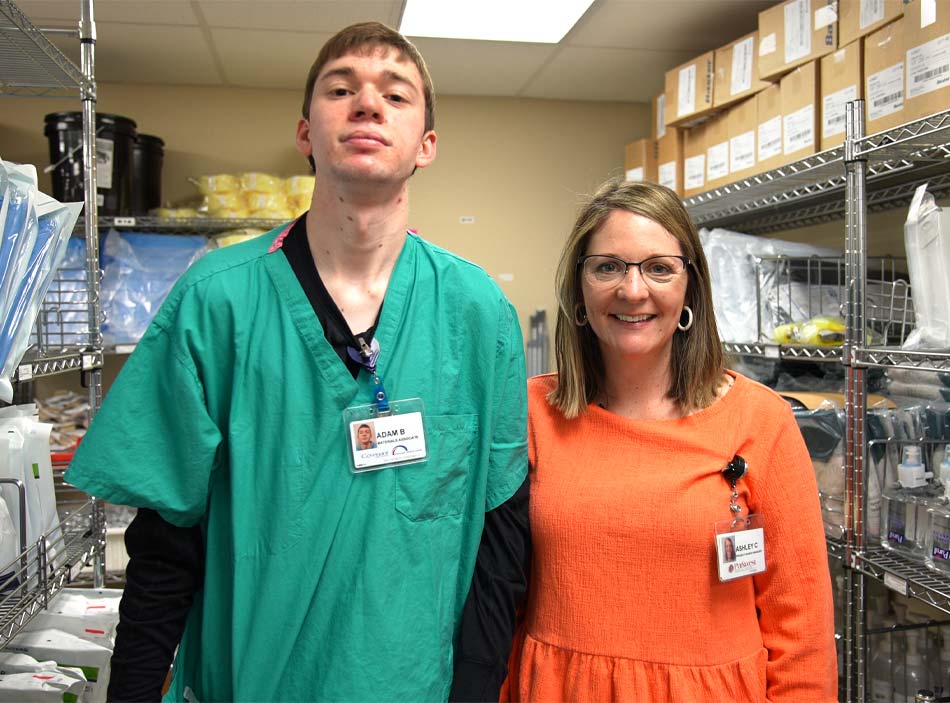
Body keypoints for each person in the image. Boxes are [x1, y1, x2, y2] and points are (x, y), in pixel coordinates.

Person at [66, 22, 529, 702]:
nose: (367, 104)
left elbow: (500, 530)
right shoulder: (216, 300)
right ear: (306, 133)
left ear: (427, 145)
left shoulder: (476, 311)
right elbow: (166, 539)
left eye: (395, 96)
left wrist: (475, 689)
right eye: (341, 89)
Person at [502, 179, 837, 702]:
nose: (633, 290)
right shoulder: (530, 415)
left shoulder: (760, 422)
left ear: (690, 289)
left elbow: (800, 628)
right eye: (608, 266)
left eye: (659, 268)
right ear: (580, 291)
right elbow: (502, 599)